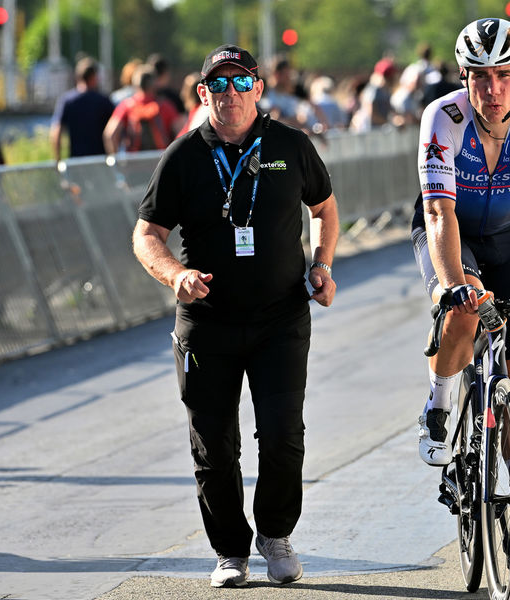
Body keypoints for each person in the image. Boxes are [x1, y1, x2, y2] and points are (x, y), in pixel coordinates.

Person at [131, 43, 339, 588]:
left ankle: (274, 534)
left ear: (258, 89)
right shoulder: (183, 157)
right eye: (218, 85)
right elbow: (146, 234)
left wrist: (322, 264)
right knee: (213, 441)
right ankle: (230, 551)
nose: (230, 94)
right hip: (207, 323)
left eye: (241, 82)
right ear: (203, 94)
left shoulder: (290, 145)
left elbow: (324, 207)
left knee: (281, 434)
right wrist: (176, 275)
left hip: (280, 318)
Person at [412, 18, 510, 569]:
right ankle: (440, 400)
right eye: (481, 77)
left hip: (508, 238)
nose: (494, 88)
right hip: (448, 233)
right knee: (464, 312)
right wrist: (456, 285)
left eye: (504, 75)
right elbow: (438, 211)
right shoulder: (444, 118)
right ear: (465, 78)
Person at [103, 64, 180, 153]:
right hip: (160, 159)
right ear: (154, 83)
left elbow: (110, 134)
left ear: (135, 83)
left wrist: (115, 160)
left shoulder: (127, 106)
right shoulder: (165, 106)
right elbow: (181, 132)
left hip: (134, 161)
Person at [50, 57, 115, 160]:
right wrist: (113, 157)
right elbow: (113, 131)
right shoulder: (104, 101)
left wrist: (58, 160)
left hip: (76, 163)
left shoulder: (67, 101)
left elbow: (56, 131)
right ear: (94, 77)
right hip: (100, 162)